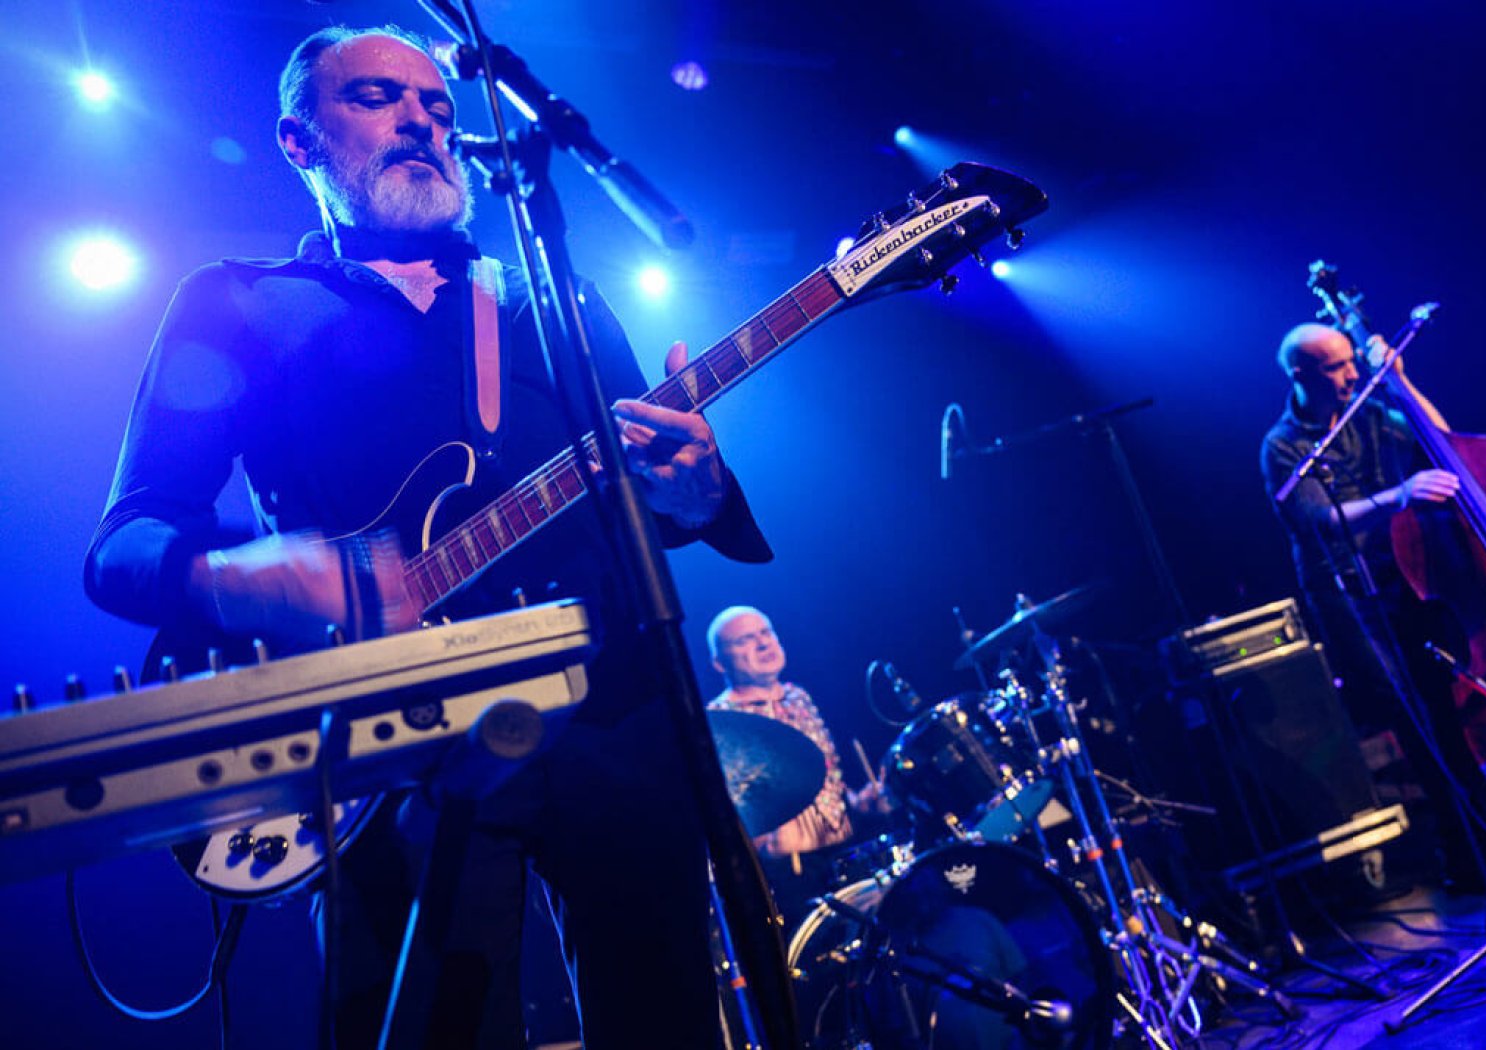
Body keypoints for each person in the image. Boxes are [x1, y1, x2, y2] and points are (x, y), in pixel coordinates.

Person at [83, 26, 771, 1048]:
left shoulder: (551, 292)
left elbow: (655, 484)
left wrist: (696, 492)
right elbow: (126, 540)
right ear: (299, 139)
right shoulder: (239, 303)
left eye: (440, 106)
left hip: (614, 713)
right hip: (384, 743)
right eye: (375, 98)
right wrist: (238, 575)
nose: (422, 120)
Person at [1257, 322, 1486, 889]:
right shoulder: (1283, 446)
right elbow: (1319, 519)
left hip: (1407, 578)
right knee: (1413, 719)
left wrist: (1401, 382)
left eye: (1353, 362)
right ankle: (1464, 857)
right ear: (1301, 376)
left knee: (1444, 710)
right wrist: (1399, 494)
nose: (1353, 374)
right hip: (1349, 596)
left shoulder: (1371, 413)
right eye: (1337, 367)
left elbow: (1445, 444)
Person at [706, 606, 891, 925]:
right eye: (746, 640)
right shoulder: (721, 721)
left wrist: (860, 803)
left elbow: (827, 783)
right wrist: (763, 843)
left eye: (767, 632)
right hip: (792, 876)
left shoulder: (798, 696)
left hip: (846, 857)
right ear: (719, 662)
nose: (763, 644)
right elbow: (724, 819)